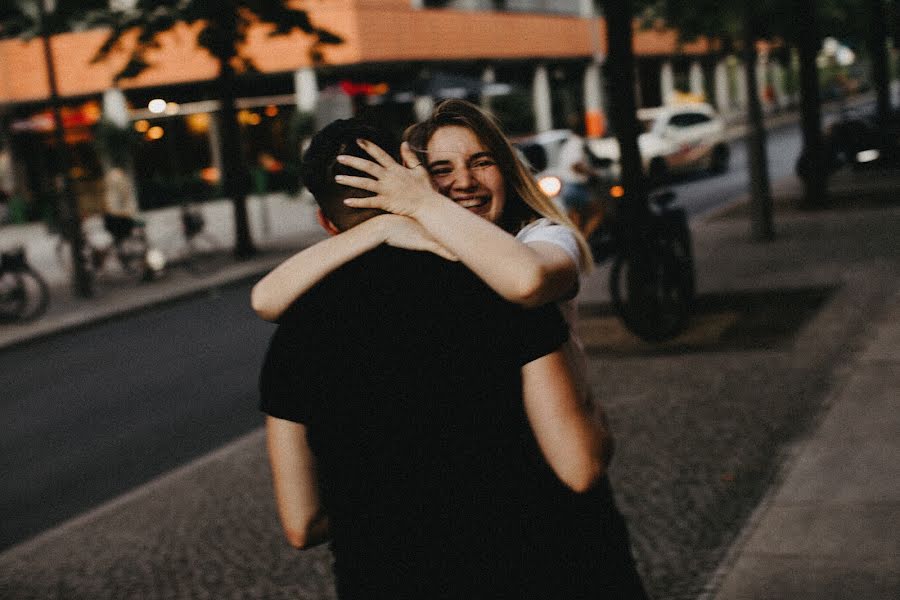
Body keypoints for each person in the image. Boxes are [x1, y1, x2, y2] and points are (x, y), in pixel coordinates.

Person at [260, 118, 607, 598]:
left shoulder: (295, 336)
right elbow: (579, 465)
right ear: (416, 182)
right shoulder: (500, 288)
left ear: (325, 222)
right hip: (521, 568)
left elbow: (301, 523)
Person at [557, 112, 607, 238]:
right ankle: (585, 240)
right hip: (576, 187)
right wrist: (593, 173)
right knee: (598, 212)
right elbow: (575, 165)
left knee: (575, 222)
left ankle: (578, 243)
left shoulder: (568, 143)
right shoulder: (577, 143)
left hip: (566, 188)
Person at [102, 166, 140, 248]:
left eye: (122, 181)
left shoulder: (128, 199)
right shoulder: (111, 199)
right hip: (118, 224)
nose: (122, 184)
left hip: (125, 227)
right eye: (118, 182)